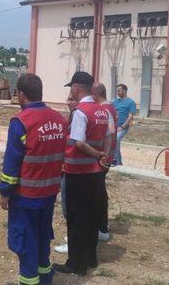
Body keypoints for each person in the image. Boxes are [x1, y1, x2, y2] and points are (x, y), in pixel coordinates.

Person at [0, 74, 67, 285]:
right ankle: (45, 277)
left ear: (21, 95)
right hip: (49, 193)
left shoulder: (21, 122)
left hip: (25, 195)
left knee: (25, 241)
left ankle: (29, 281)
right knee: (42, 235)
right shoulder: (59, 119)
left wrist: (4, 191)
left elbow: (12, 163)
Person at [53, 71, 110, 276]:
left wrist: (97, 154)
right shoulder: (102, 110)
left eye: (71, 88)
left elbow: (78, 141)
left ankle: (76, 263)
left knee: (77, 218)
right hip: (95, 172)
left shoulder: (81, 111)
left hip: (78, 171)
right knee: (92, 215)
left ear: (76, 87)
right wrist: (103, 157)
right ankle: (90, 258)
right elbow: (109, 135)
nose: (71, 91)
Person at [91, 82, 117, 243]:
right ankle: (101, 226)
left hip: (103, 157)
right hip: (107, 156)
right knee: (100, 192)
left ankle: (101, 227)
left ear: (95, 95)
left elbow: (111, 131)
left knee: (98, 193)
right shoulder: (112, 107)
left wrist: (102, 153)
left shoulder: (104, 110)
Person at [53, 95, 78, 254]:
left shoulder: (78, 115)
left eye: (71, 99)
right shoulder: (73, 115)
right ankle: (76, 238)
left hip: (71, 167)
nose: (68, 102)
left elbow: (75, 143)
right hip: (75, 166)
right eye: (67, 99)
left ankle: (74, 242)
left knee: (69, 206)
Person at [112, 84, 136, 166]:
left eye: (119, 90)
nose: (117, 92)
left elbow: (130, 117)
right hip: (113, 126)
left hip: (123, 126)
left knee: (117, 138)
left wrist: (122, 127)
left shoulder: (131, 102)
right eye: (117, 91)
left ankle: (116, 161)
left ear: (125, 91)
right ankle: (117, 161)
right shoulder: (115, 101)